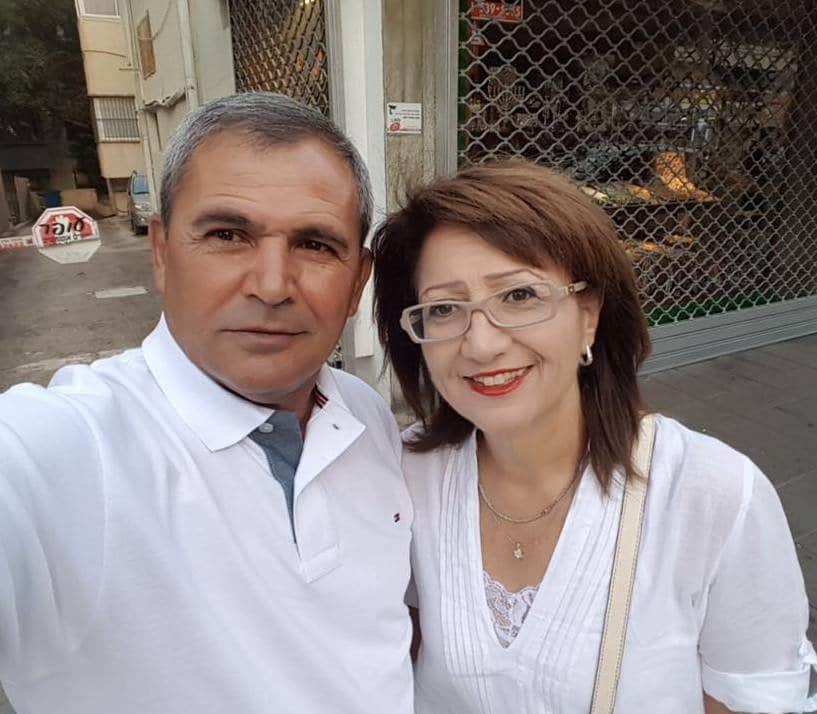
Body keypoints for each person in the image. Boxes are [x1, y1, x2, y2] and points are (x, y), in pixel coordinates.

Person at [0, 93, 414, 714]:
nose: (271, 286)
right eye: (227, 235)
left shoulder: (363, 413)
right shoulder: (67, 452)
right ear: (162, 253)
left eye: (315, 245)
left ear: (357, 282)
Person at [372, 160, 817, 713]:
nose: (481, 345)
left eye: (519, 296)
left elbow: (749, 700)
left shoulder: (712, 495)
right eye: (444, 309)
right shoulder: (406, 474)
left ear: (588, 315)